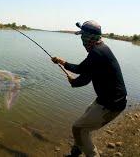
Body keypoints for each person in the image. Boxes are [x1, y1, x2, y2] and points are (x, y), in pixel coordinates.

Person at [52, 21, 127, 157]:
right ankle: (77, 150)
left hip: (111, 104)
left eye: (83, 37)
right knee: (86, 115)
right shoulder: (102, 48)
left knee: (78, 128)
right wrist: (63, 64)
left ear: (89, 37)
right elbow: (84, 73)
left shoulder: (97, 53)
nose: (82, 40)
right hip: (108, 99)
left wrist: (73, 81)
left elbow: (82, 74)